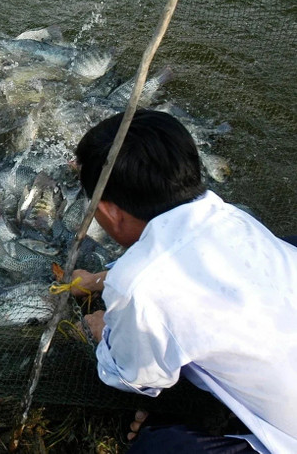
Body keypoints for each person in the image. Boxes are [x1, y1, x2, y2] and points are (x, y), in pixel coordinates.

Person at [70, 109, 297, 453]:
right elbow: (171, 260)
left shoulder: (138, 288)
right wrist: (98, 280)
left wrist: (104, 330)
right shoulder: (233, 218)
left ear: (109, 211)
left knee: (160, 446)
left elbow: (132, 378)